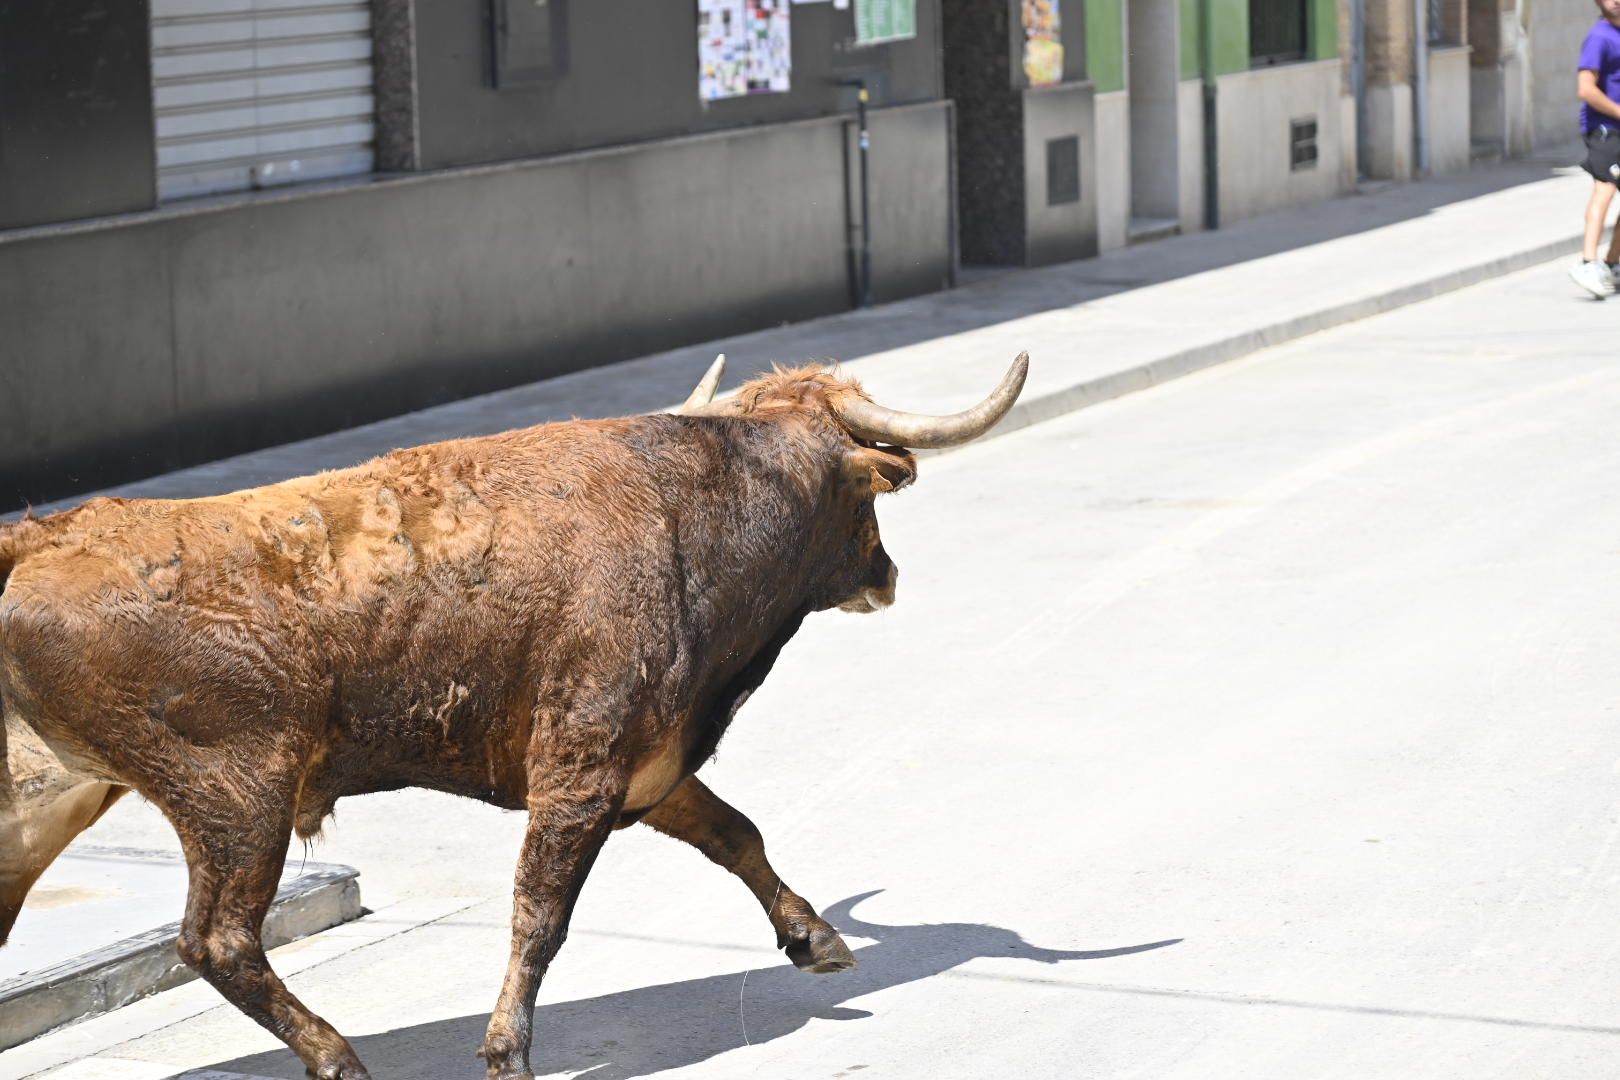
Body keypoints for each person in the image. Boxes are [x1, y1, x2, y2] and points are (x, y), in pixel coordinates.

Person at [1572, 0, 1620, 298]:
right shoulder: (1599, 37)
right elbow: (1586, 88)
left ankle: (1613, 263)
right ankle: (1588, 261)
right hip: (1605, 129)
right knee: (1605, 187)